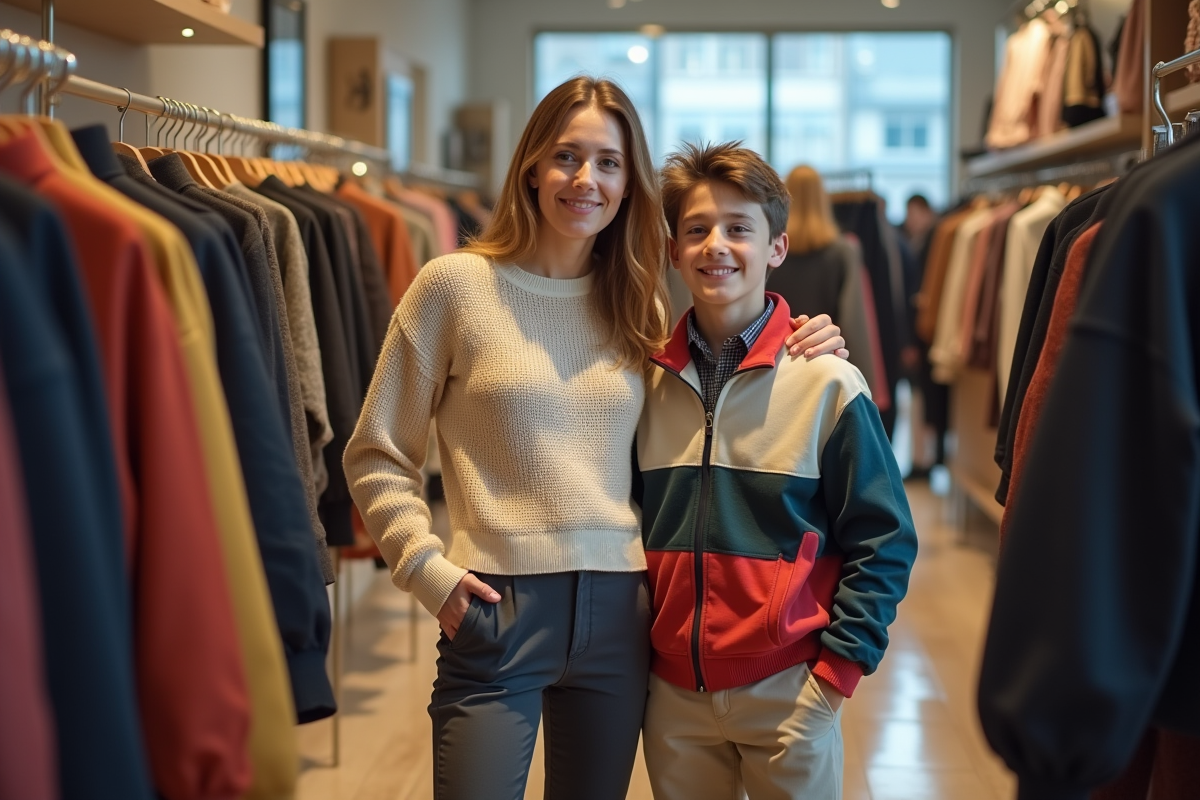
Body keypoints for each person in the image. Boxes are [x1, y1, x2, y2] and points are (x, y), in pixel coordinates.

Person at [342, 78, 846, 800]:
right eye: (567, 157)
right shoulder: (453, 287)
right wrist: (427, 571)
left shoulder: (636, 299)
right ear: (531, 169)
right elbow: (375, 452)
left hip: (620, 612)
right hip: (495, 603)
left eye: (608, 162)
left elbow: (728, 341)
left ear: (628, 181)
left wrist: (809, 334)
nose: (586, 180)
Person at [636, 142, 918, 799]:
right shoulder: (644, 386)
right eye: (697, 230)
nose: (717, 247)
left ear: (777, 248)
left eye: (739, 229)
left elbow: (886, 537)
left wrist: (837, 673)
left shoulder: (827, 383)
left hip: (790, 691)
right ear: (673, 250)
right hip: (673, 698)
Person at [767, 164, 881, 398]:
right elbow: (853, 322)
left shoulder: (772, 252)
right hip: (826, 363)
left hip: (774, 362)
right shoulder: (843, 251)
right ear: (822, 198)